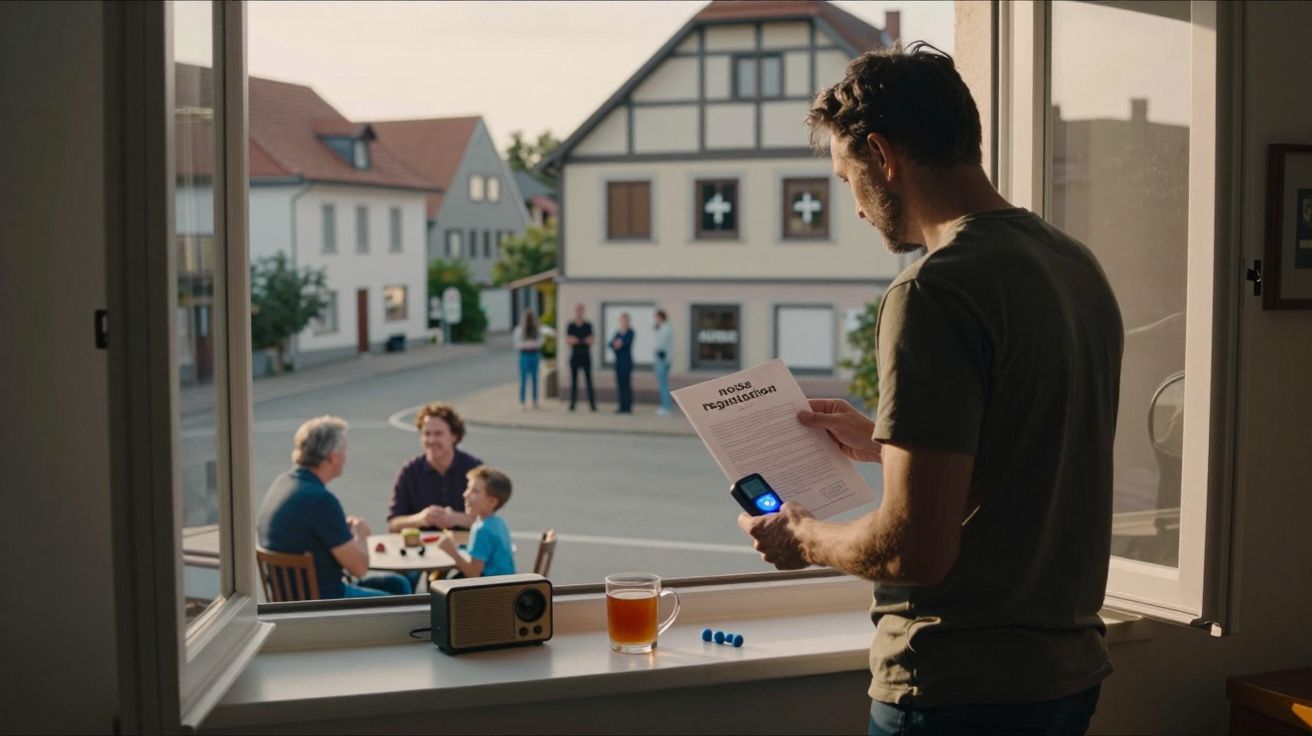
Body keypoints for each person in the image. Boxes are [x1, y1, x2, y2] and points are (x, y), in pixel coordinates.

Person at [737, 43, 1122, 736]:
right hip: (1063, 677)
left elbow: (914, 549)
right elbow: (1024, 455)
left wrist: (802, 536)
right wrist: (882, 441)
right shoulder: (1072, 264)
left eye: (846, 175)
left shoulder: (932, 289)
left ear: (883, 156)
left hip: (955, 688)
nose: (854, 207)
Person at [257, 416, 412, 598]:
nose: (346, 456)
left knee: (398, 584)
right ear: (332, 456)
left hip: (290, 598)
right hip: (325, 603)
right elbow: (360, 568)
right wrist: (361, 534)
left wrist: (340, 531)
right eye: (344, 451)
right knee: (399, 603)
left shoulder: (283, 483)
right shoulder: (320, 500)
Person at [387, 402, 482, 532]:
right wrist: (420, 519)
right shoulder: (409, 471)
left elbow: (490, 521)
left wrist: (457, 518)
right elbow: (393, 524)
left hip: (466, 549)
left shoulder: (475, 469)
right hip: (422, 548)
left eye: (438, 434)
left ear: (454, 436)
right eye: (427, 434)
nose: (431, 440)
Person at [436, 466, 516, 578]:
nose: (465, 494)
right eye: (468, 488)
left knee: (443, 583)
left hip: (493, 591)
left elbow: (473, 574)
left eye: (474, 491)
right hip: (507, 586)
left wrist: (451, 552)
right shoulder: (498, 522)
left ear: (492, 501)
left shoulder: (482, 529)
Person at [566, 303, 597, 412]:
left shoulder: (588, 325)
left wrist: (578, 340)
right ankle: (572, 404)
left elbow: (591, 340)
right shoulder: (571, 325)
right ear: (575, 312)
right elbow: (568, 340)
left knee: (589, 381)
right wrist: (581, 340)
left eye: (581, 310)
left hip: (586, 356)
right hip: (575, 356)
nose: (579, 313)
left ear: (583, 312)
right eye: (577, 310)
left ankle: (592, 405)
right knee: (574, 381)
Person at [514, 309, 542, 410]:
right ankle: (523, 401)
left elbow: (540, 341)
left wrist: (534, 344)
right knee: (523, 379)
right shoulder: (520, 330)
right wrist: (525, 345)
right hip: (524, 355)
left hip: (534, 354)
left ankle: (535, 400)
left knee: (535, 379)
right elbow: (517, 343)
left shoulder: (536, 329)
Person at [610, 312, 635, 414]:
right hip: (618, 362)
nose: (623, 322)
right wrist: (617, 343)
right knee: (620, 384)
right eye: (621, 320)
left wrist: (618, 343)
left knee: (626, 384)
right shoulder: (618, 333)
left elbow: (624, 343)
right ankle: (621, 406)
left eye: (624, 320)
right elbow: (611, 344)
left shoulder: (631, 332)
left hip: (626, 362)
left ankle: (627, 407)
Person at [652, 308, 673, 416]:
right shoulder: (662, 328)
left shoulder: (665, 328)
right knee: (663, 383)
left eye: (656, 317)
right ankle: (665, 405)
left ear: (660, 317)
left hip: (662, 359)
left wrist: (655, 348)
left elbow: (660, 344)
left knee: (663, 384)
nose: (655, 319)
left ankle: (666, 407)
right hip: (662, 359)